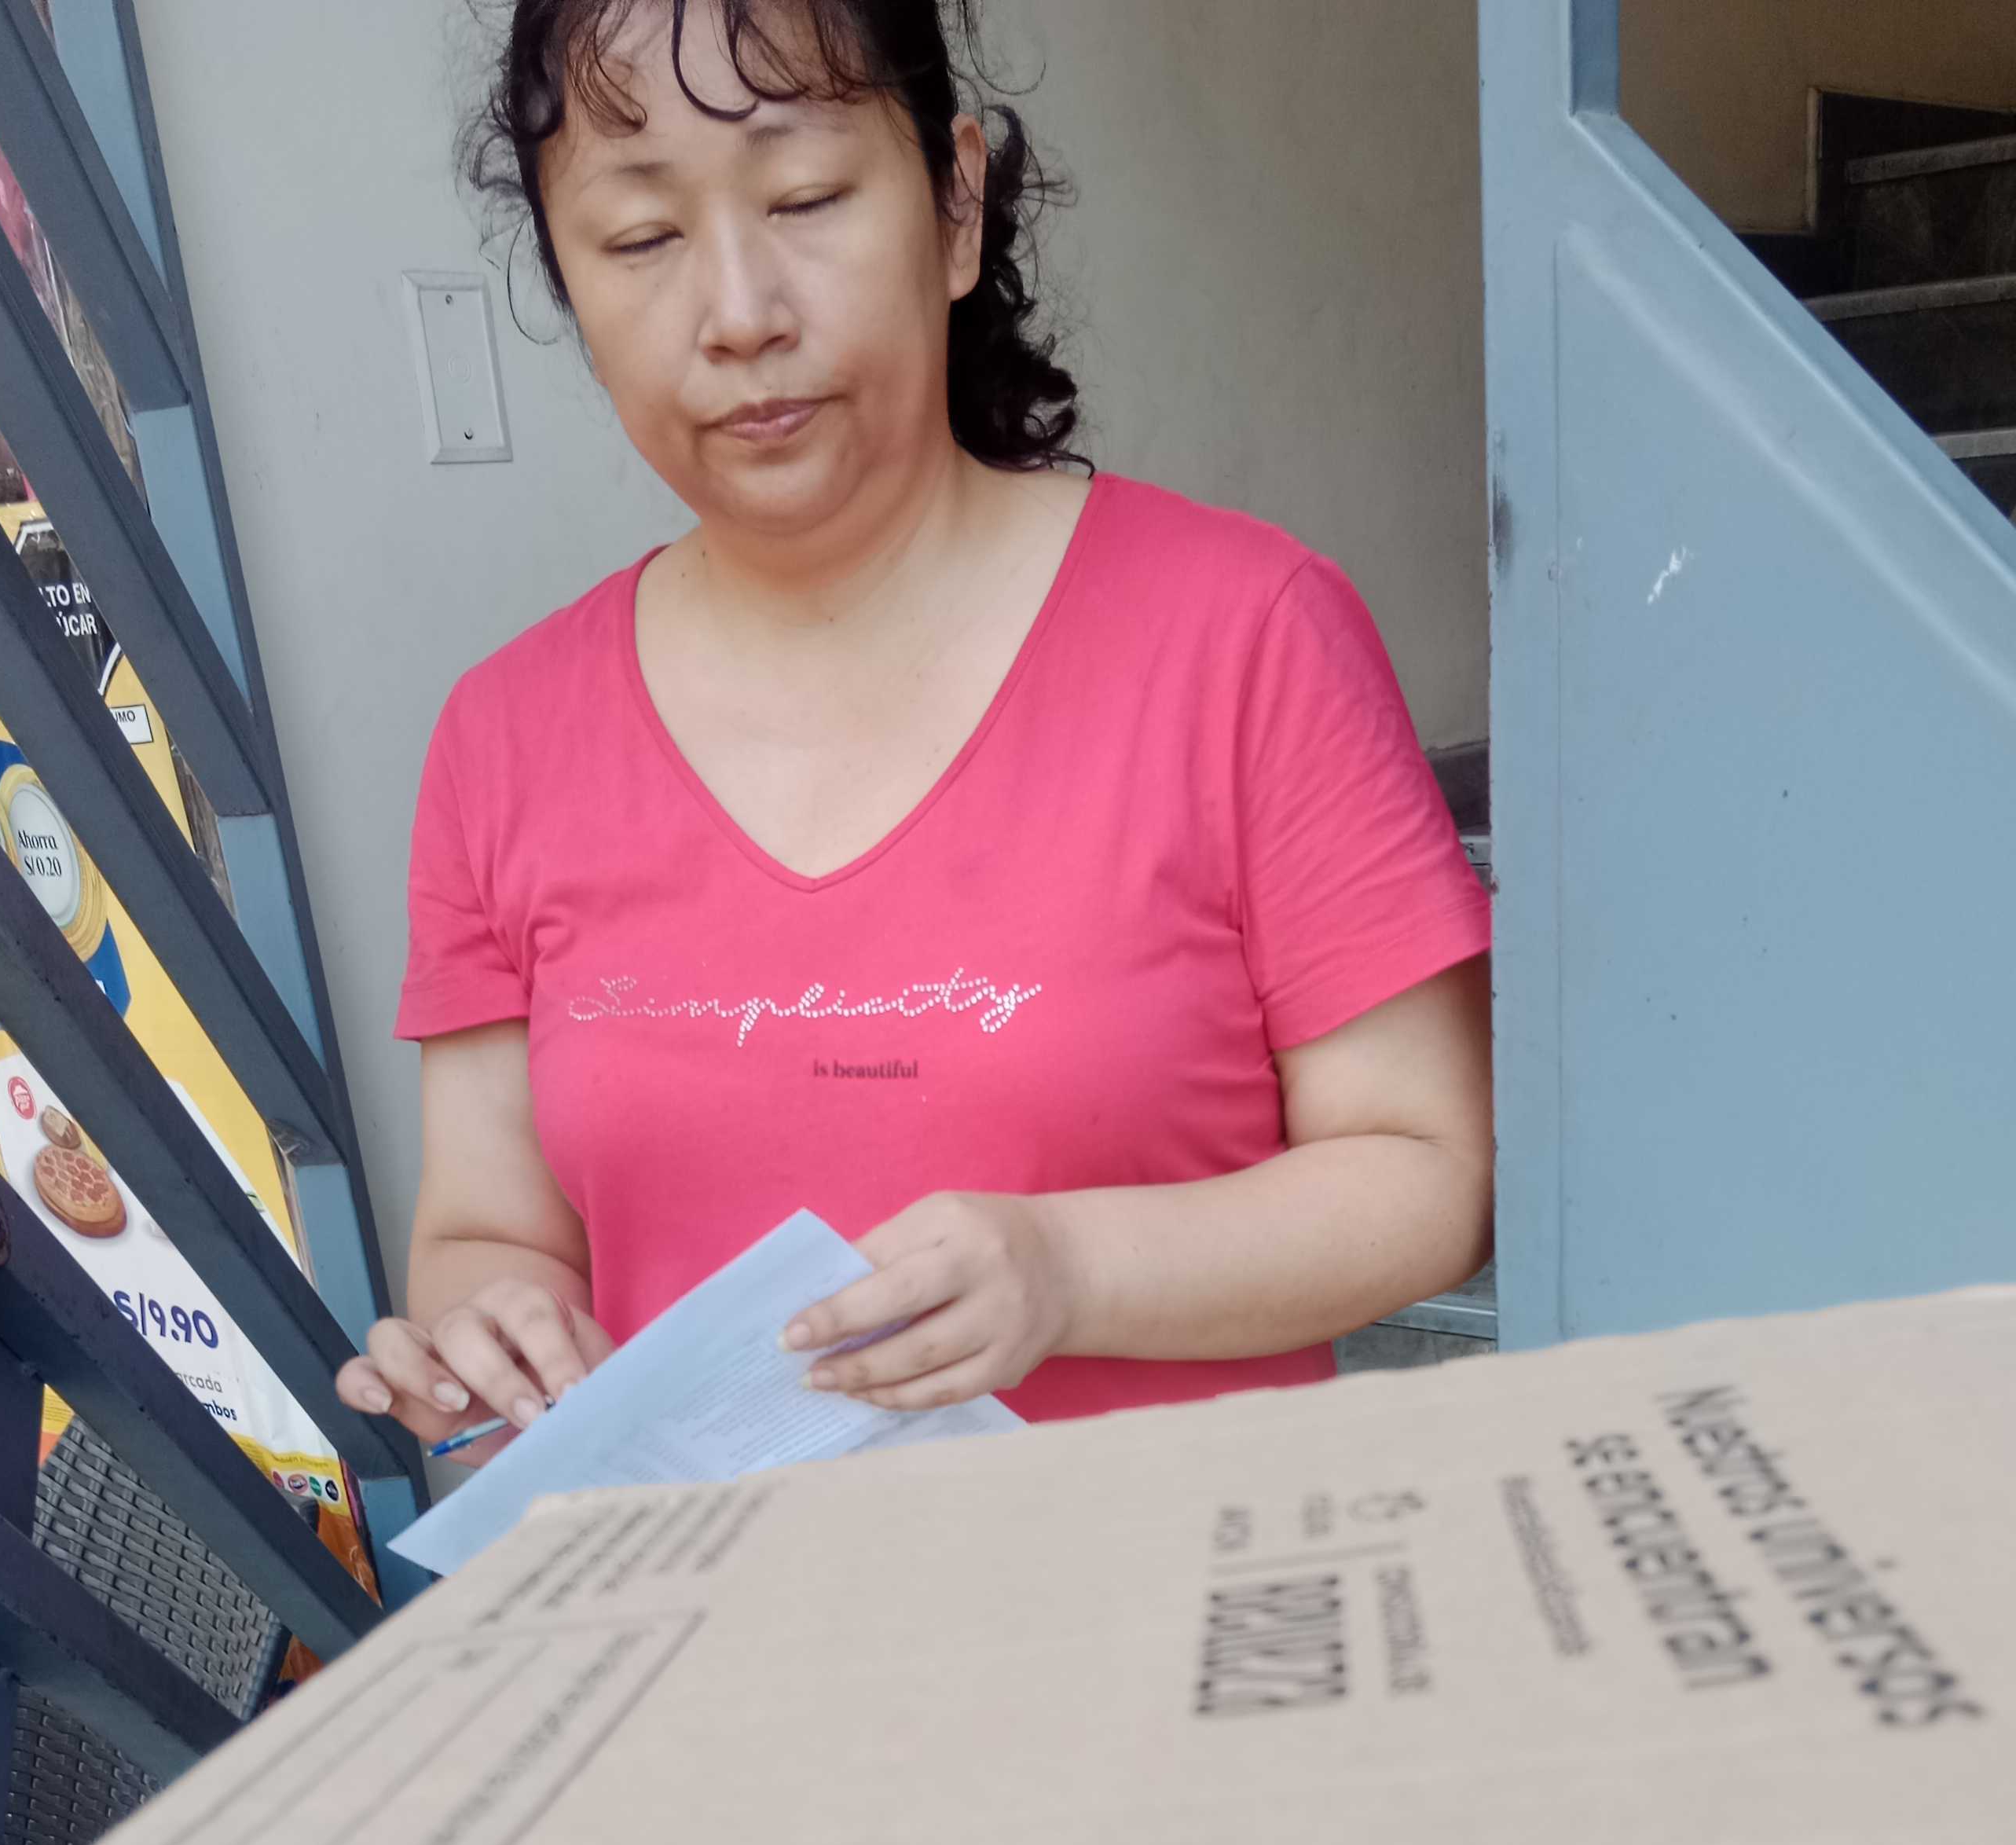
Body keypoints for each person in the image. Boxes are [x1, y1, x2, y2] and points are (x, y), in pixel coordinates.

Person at [338, 0, 1494, 1466]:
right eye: (640, 239)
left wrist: (1070, 1272)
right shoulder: (504, 739)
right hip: (719, 1602)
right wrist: (492, 1344)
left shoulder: (1248, 636)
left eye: (807, 198)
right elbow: (488, 1231)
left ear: (955, 206)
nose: (740, 311)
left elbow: (1427, 1173)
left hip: (1182, 1592)